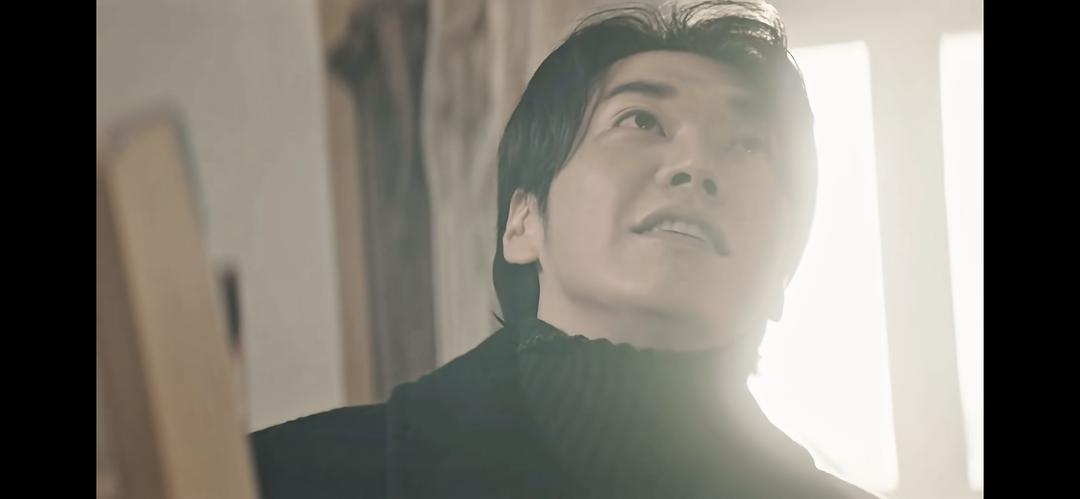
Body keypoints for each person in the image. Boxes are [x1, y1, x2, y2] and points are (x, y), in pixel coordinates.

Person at [252, 2, 876, 497]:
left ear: (781, 275)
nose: (696, 165)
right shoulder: (283, 477)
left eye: (748, 145)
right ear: (522, 223)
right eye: (641, 121)